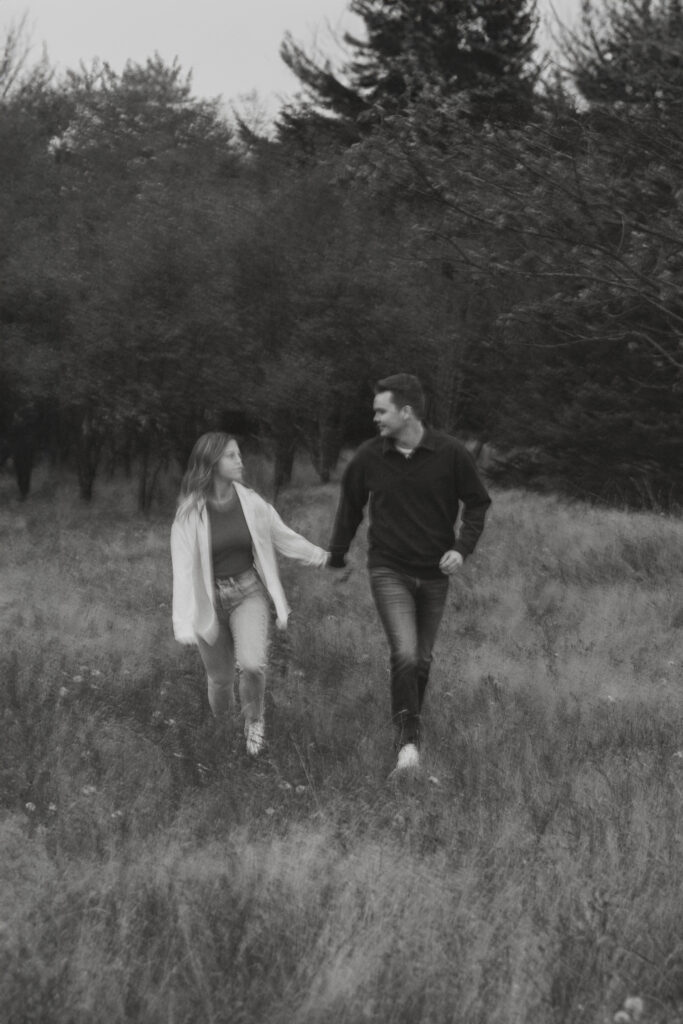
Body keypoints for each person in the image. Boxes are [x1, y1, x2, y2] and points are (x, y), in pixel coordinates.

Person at [328, 374, 491, 773]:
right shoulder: (368, 457)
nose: (375, 419)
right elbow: (350, 507)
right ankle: (408, 744)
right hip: (389, 569)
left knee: (421, 659)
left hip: (435, 574)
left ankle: (407, 724)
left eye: (381, 411)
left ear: (406, 411)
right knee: (404, 652)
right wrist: (336, 555)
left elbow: (477, 503)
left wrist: (461, 548)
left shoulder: (451, 454)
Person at [171, 432, 329, 755]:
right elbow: (183, 571)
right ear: (212, 463)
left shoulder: (253, 504)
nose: (240, 461)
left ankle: (254, 723)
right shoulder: (189, 513)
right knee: (219, 680)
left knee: (253, 665)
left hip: (247, 594)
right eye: (232, 456)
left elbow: (285, 537)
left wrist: (325, 557)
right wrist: (185, 620)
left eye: (239, 454)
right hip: (209, 602)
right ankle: (223, 730)